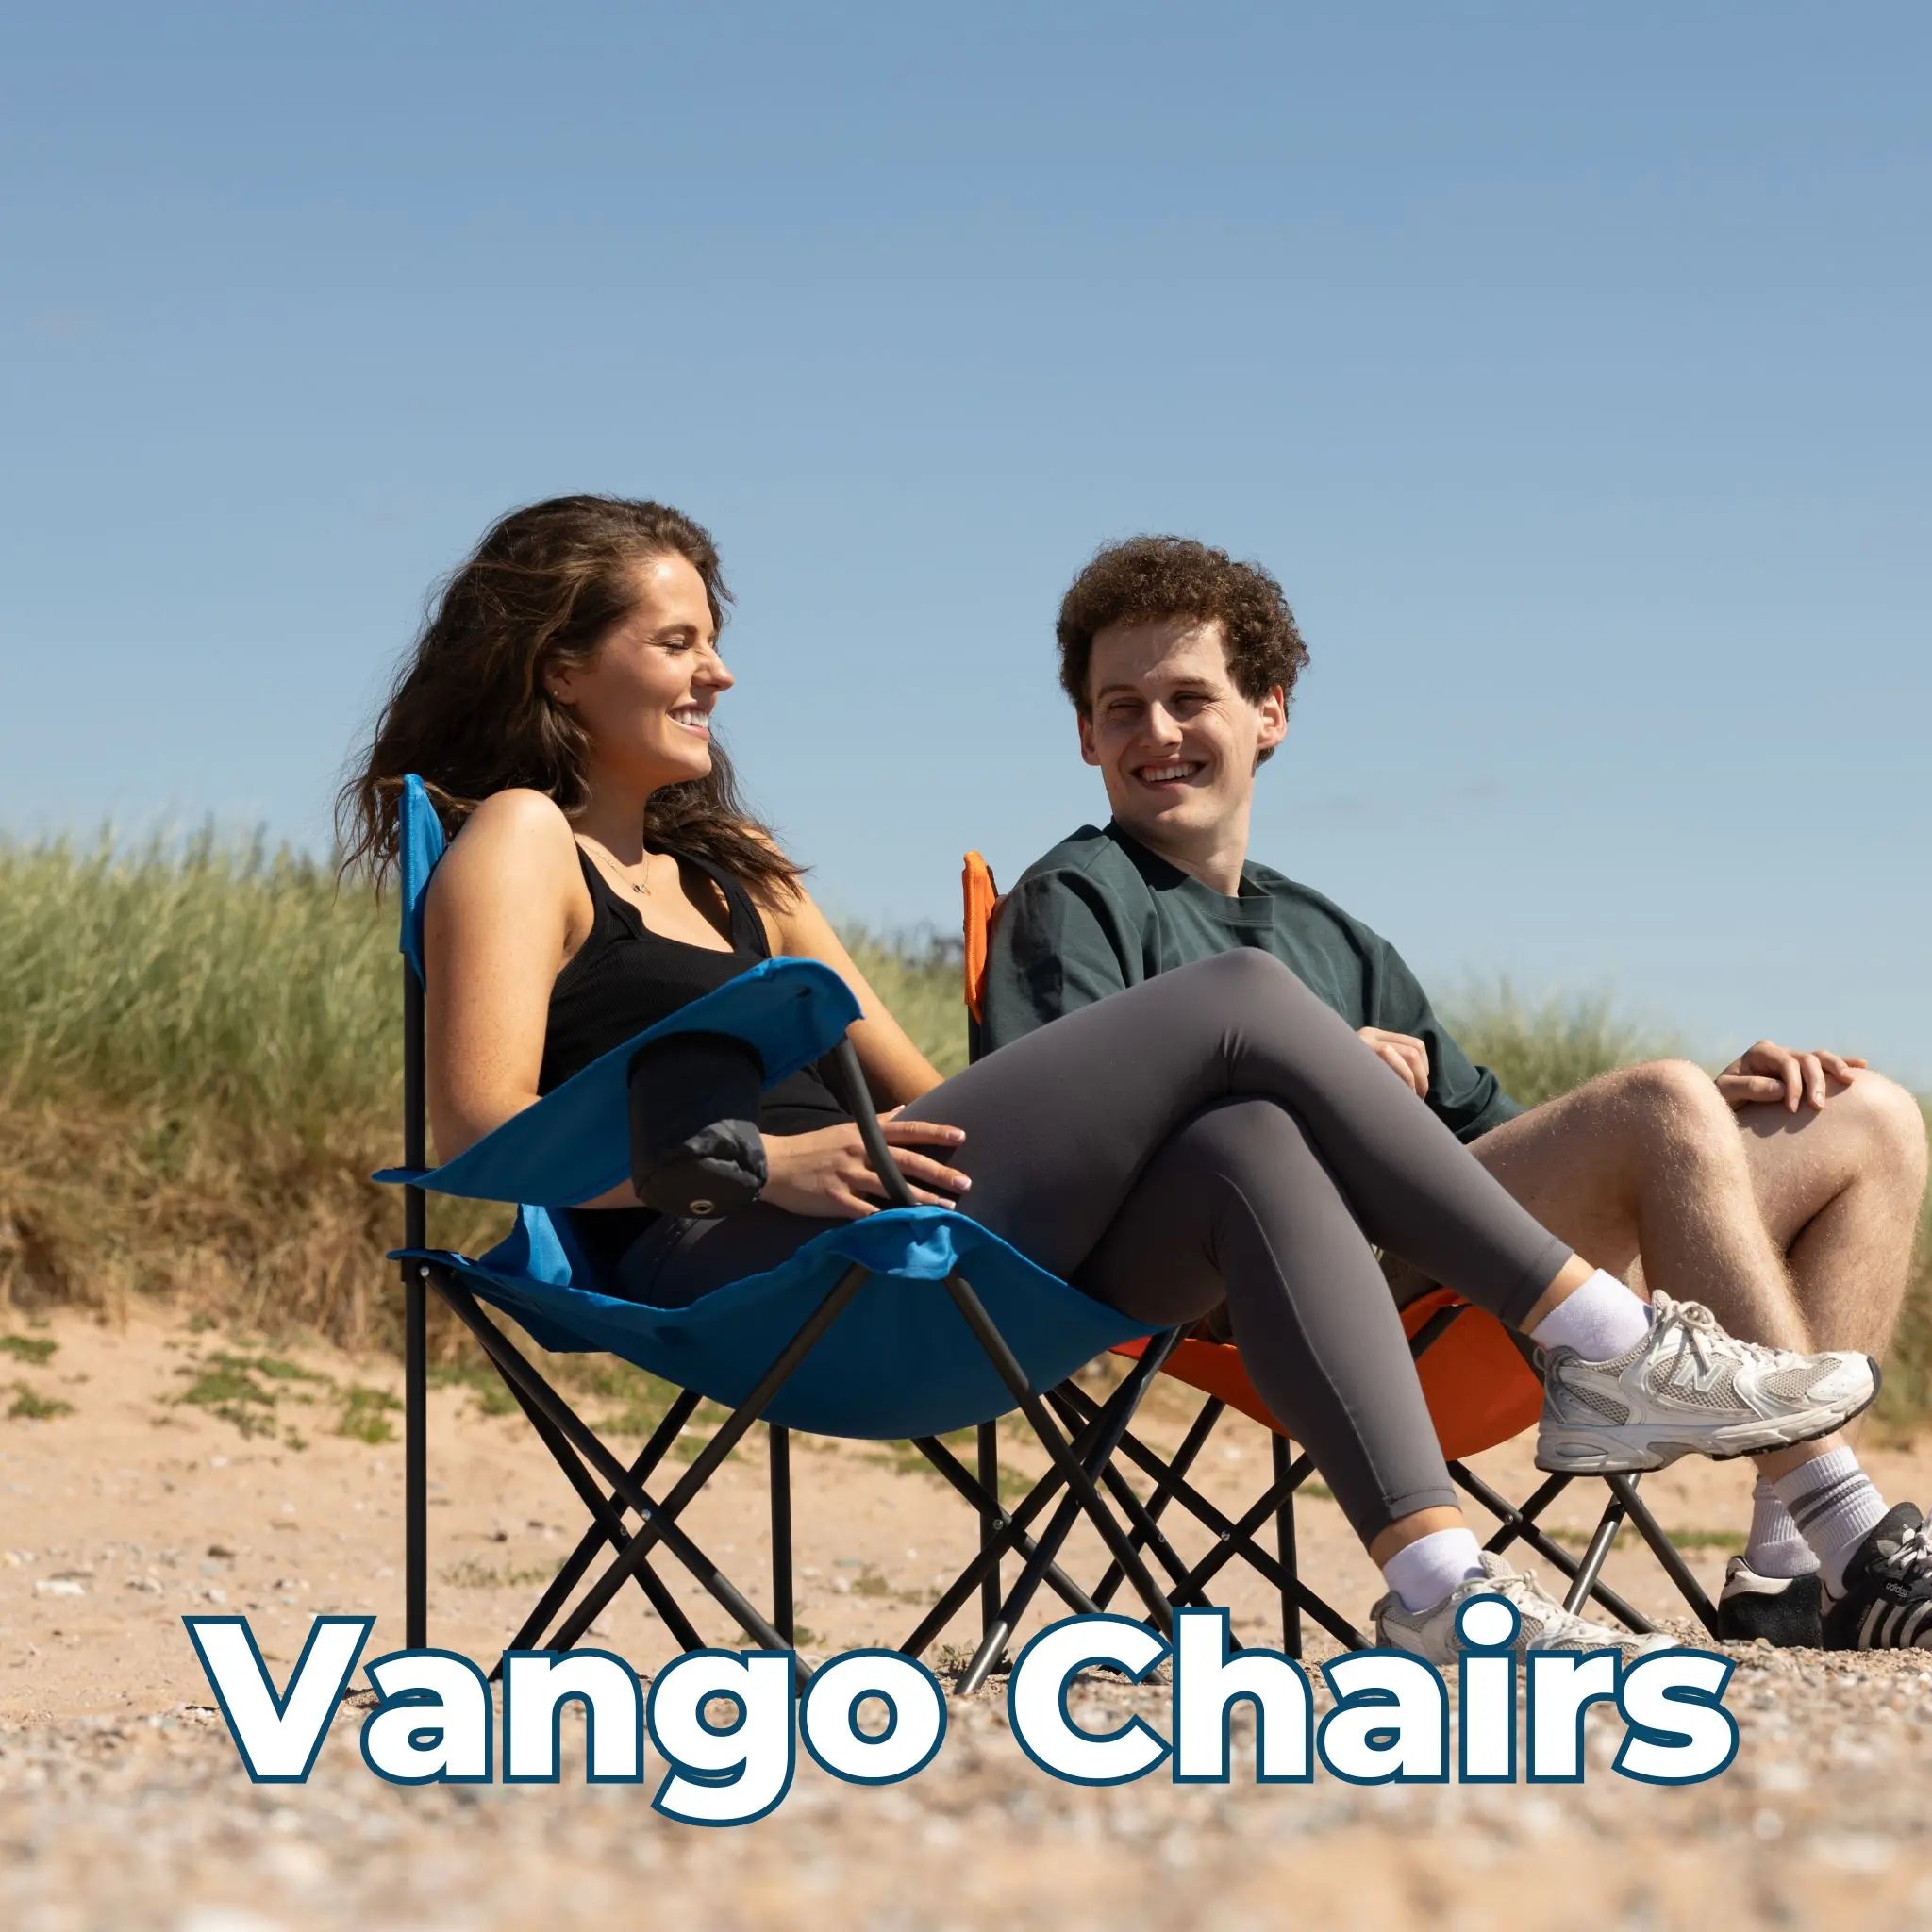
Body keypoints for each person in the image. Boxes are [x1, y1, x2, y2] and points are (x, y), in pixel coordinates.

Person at [339, 495, 1884, 1667]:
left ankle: (1434, 1589)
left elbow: (944, 1094)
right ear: (562, 665)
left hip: (907, 1234)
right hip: (731, 1256)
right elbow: (483, 1140)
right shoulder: (515, 843)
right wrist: (770, 1166)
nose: (717, 671)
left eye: (710, 636)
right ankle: (1601, 1339)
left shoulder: (741, 873)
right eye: (676, 641)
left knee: (1239, 1134)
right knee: (1232, 1000)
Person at [979, 533, 1932, 1651]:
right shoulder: (1074, 899)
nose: (1157, 732)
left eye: (1189, 696)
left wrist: (1701, 1121)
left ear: (1267, 714)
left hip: (1458, 1281)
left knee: (1863, 1118)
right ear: (1085, 733)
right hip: (1256, 1279)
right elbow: (1065, 1155)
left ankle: (1789, 1570)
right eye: (1122, 705)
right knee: (1659, 1106)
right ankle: (1852, 1527)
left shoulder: (1329, 933)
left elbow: (1493, 1147)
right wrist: (1323, 1086)